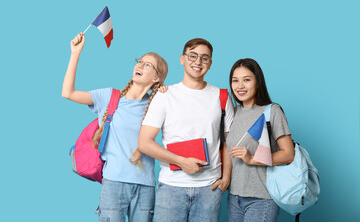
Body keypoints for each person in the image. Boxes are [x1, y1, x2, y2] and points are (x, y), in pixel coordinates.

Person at [62, 32, 168, 222]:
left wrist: (166, 93)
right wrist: (75, 53)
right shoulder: (109, 97)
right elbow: (68, 93)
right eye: (140, 61)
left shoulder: (158, 104)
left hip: (145, 187)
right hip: (114, 183)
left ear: (156, 79)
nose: (139, 65)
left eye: (148, 65)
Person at [138, 38, 234, 222]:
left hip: (210, 189)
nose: (198, 62)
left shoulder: (221, 96)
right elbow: (144, 143)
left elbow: (228, 141)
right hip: (171, 187)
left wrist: (226, 178)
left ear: (210, 63)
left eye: (204, 58)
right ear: (182, 59)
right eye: (193, 56)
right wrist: (181, 161)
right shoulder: (164, 95)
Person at [226, 58, 295, 222]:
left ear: (258, 82)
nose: (240, 86)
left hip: (262, 198)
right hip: (234, 198)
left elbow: (288, 154)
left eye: (247, 80)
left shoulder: (272, 111)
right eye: (235, 81)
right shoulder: (232, 113)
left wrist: (251, 158)